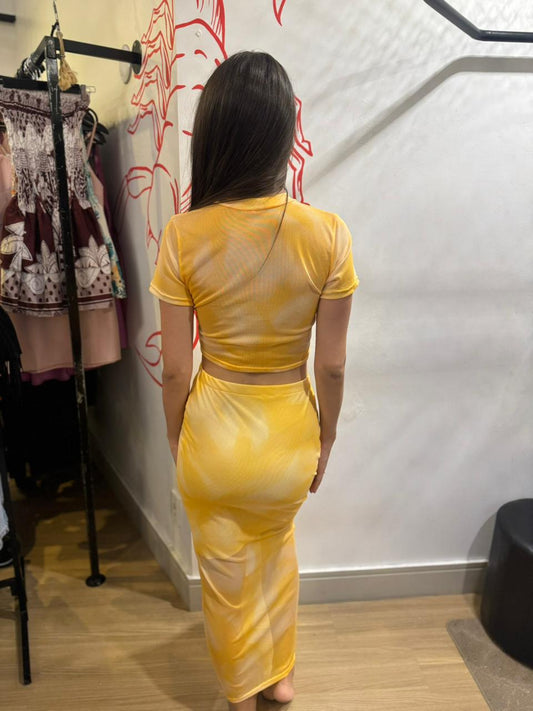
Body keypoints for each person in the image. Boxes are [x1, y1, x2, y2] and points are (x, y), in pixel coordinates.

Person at [150, 51, 359, 711]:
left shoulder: (182, 236)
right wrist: (326, 438)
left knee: (225, 579)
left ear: (212, 135)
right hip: (288, 436)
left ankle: (239, 693)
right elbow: (331, 364)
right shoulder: (328, 235)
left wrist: (176, 434)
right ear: (282, 134)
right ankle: (278, 679)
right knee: (276, 555)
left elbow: (175, 367)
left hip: (214, 435)